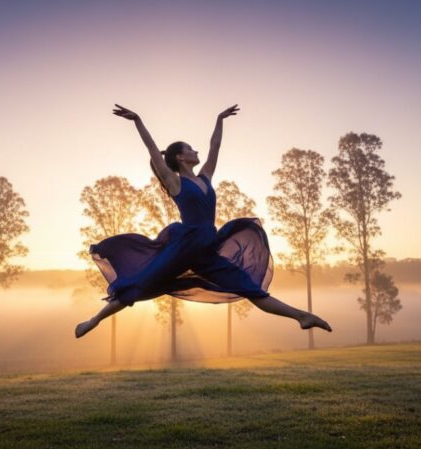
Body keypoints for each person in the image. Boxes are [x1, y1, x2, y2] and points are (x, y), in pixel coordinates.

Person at [75, 104, 333, 338]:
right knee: (140, 284)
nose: (195, 150)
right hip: (184, 246)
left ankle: (302, 316)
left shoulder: (205, 178)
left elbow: (215, 146)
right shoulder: (176, 182)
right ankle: (93, 320)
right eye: (190, 148)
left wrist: (220, 119)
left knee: (248, 288)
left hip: (206, 249)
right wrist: (138, 121)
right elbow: (153, 150)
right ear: (180, 157)